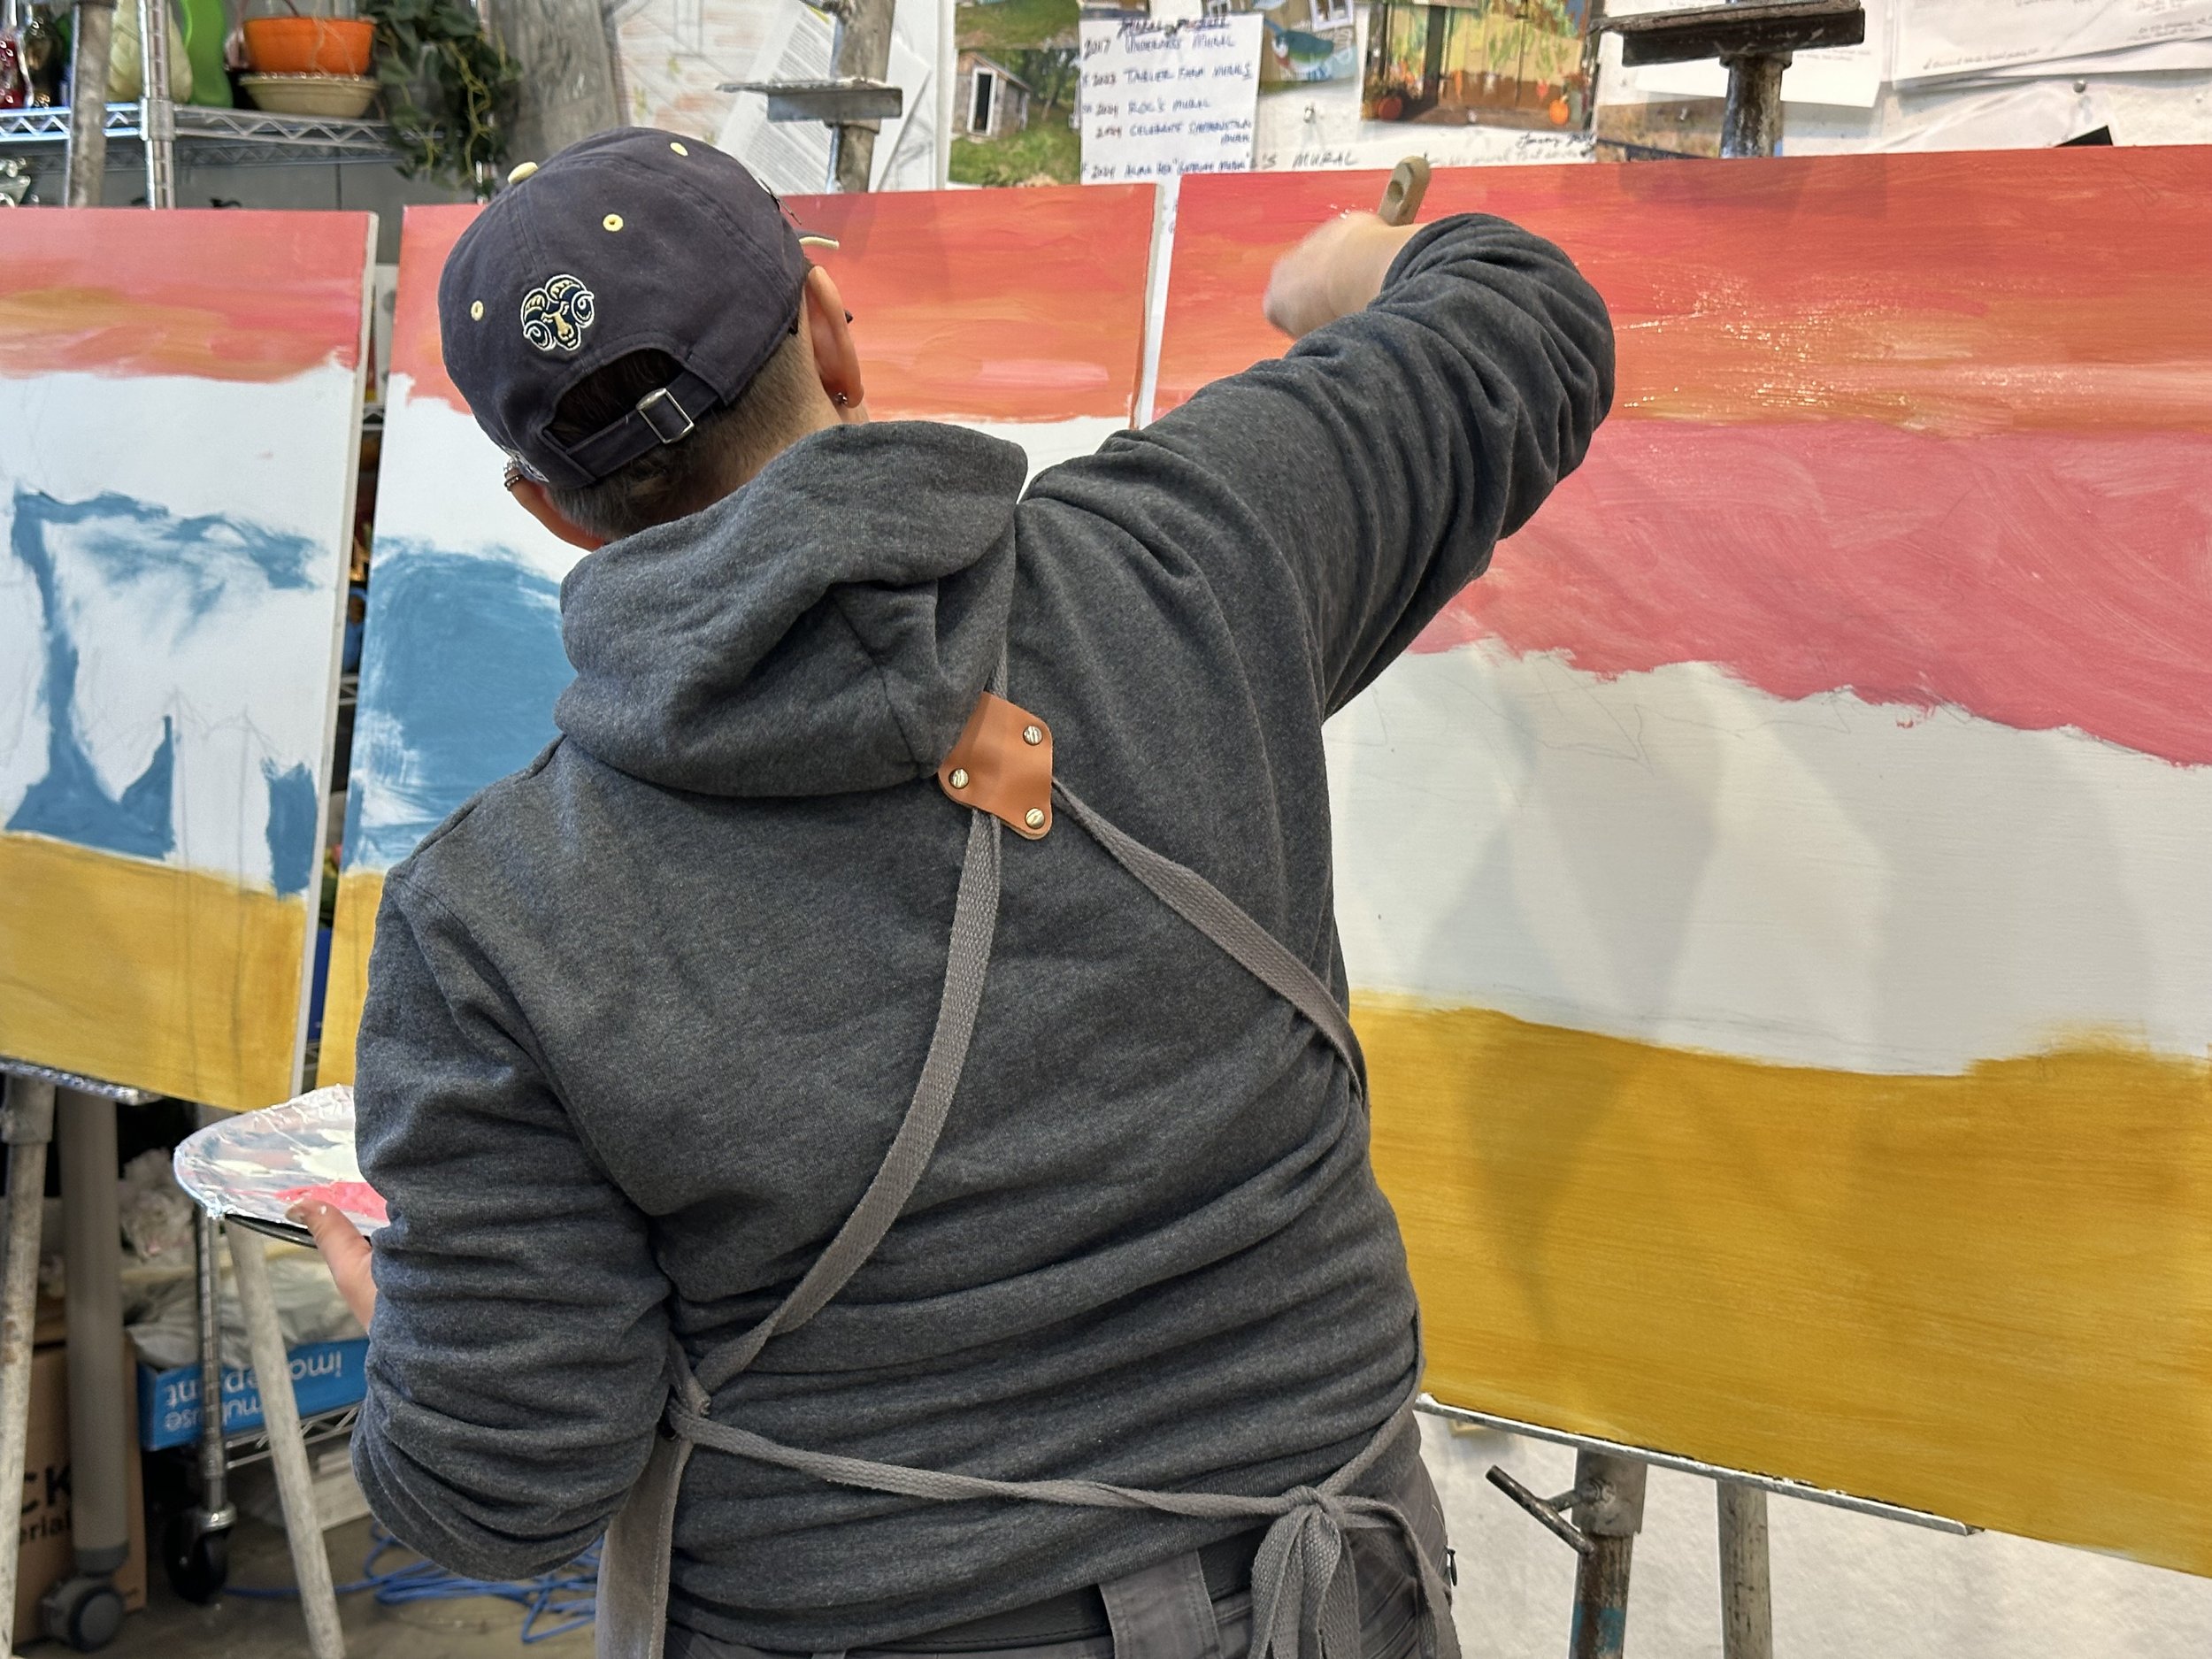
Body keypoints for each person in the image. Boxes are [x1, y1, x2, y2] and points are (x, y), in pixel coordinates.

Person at [295, 127, 1612, 1659]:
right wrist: (1354, 266)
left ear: (546, 508)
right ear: (829, 334)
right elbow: (1528, 318)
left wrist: (419, 1332)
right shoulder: (1188, 554)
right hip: (1337, 1599)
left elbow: (503, 1491)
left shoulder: (491, 923)